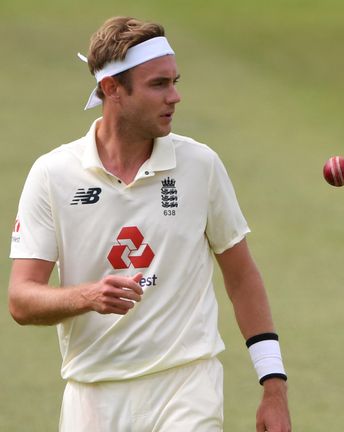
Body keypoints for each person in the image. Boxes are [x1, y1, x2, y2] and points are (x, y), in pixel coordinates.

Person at [9, 16, 290, 432]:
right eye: (158, 84)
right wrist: (88, 296)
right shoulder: (53, 174)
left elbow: (242, 277)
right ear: (112, 89)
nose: (175, 96)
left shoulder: (200, 165)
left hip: (186, 386)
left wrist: (274, 385)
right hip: (92, 395)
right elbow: (21, 299)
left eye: (175, 81)